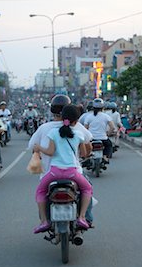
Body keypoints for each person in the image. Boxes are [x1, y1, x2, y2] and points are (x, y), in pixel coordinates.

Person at [28, 95, 94, 225]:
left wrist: (39, 150)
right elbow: (88, 146)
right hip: (74, 172)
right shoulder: (77, 127)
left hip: (49, 173)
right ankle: (86, 218)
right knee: (88, 188)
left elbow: (32, 147)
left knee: (41, 192)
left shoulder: (45, 128)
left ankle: (44, 220)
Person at [84, 98, 115, 164]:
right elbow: (112, 127)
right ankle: (105, 157)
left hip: (92, 138)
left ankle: (87, 157)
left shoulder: (89, 117)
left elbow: (85, 129)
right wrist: (108, 134)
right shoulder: (106, 116)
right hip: (103, 138)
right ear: (102, 107)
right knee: (109, 145)